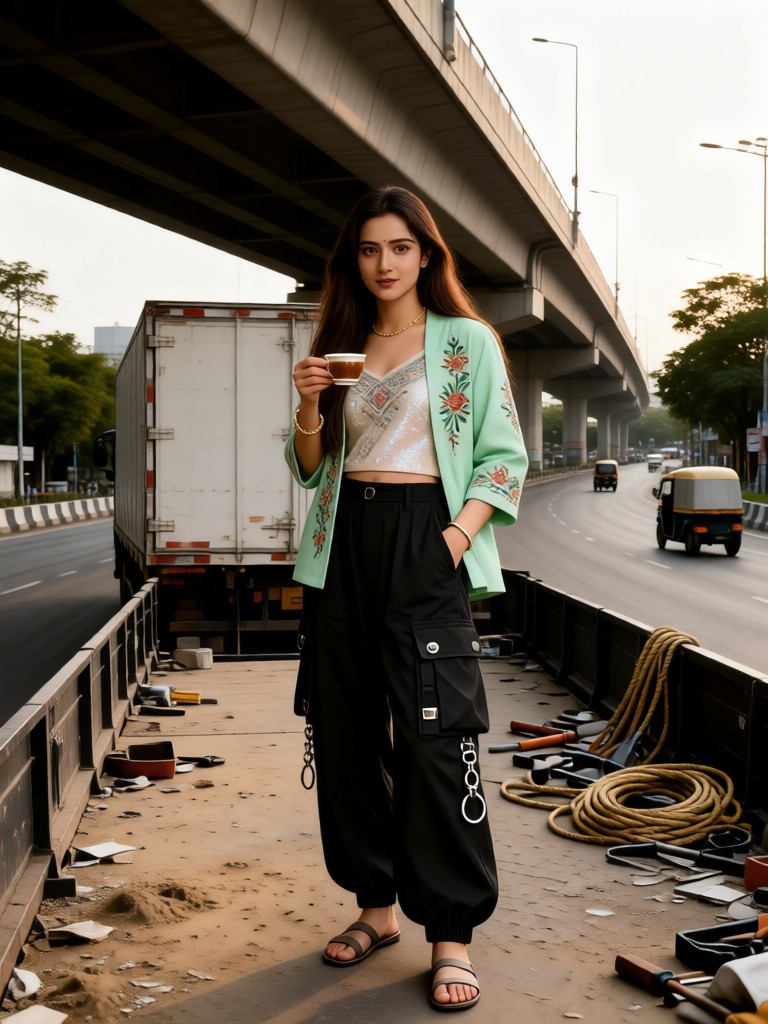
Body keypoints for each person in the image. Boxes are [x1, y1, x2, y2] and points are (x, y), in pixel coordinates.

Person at [285, 185, 528, 1012]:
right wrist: (310, 402)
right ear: (353, 260)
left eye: (399, 247)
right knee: (346, 730)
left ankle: (450, 935)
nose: (383, 263)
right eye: (367, 249)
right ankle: (375, 908)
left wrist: (453, 541)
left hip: (427, 538)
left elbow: (503, 457)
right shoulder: (340, 341)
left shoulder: (467, 342)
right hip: (342, 545)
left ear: (426, 253)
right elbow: (313, 469)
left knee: (435, 736)